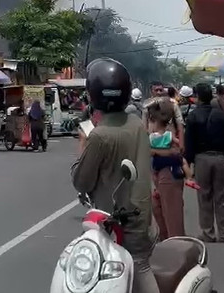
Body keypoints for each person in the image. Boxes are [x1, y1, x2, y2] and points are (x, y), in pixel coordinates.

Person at [73, 58, 159, 293]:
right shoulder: (136, 123)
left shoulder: (100, 135)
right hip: (142, 221)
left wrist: (83, 146)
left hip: (116, 227)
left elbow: (81, 181)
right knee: (141, 267)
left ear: (93, 95)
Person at [184, 82, 224, 244]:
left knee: (204, 196)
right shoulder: (221, 115)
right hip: (221, 158)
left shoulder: (193, 116)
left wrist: (188, 162)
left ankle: (208, 233)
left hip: (202, 159)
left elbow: (189, 142)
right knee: (222, 198)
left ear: (197, 97)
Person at [147, 99, 191, 240]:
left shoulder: (167, 132)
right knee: (159, 209)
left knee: (172, 218)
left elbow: (176, 152)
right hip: (162, 174)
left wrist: (156, 152)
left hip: (168, 174)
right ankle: (167, 243)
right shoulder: (166, 132)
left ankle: (176, 249)